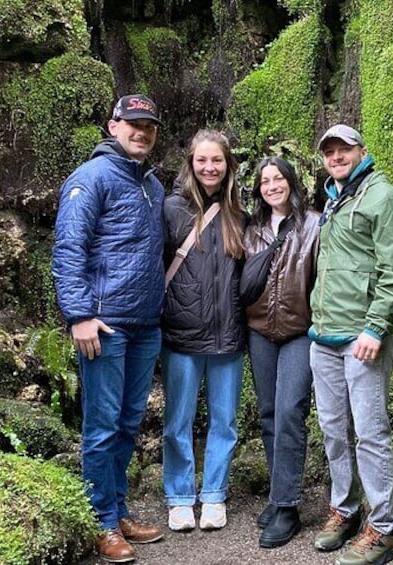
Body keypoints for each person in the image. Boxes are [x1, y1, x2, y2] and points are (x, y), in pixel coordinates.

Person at [52, 94, 166, 563]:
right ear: (112, 125)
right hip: (104, 324)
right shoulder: (91, 177)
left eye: (150, 126)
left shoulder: (153, 186)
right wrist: (78, 315)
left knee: (127, 423)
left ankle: (117, 510)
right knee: (100, 426)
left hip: (145, 325)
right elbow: (68, 248)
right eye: (133, 124)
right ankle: (100, 521)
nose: (141, 132)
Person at [309, 124, 393, 565]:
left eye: (344, 149)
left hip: (362, 337)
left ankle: (384, 527)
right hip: (324, 335)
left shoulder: (382, 198)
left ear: (361, 151)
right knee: (333, 429)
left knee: (370, 432)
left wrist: (376, 328)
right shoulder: (335, 199)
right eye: (329, 151)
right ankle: (345, 509)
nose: (336, 157)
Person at [160, 129, 247, 533]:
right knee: (178, 420)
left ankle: (214, 494)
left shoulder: (239, 213)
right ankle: (179, 496)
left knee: (225, 421)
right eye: (202, 160)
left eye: (217, 161)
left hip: (228, 334)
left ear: (228, 165)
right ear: (191, 163)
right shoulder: (171, 209)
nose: (209, 168)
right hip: (181, 332)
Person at [243, 156, 321, 548]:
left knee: (291, 409)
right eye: (265, 181)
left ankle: (288, 506)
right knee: (269, 412)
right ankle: (278, 496)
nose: (272, 185)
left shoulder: (314, 225)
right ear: (258, 189)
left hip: (298, 331)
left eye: (278, 178)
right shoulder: (252, 229)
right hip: (259, 330)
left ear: (291, 182)